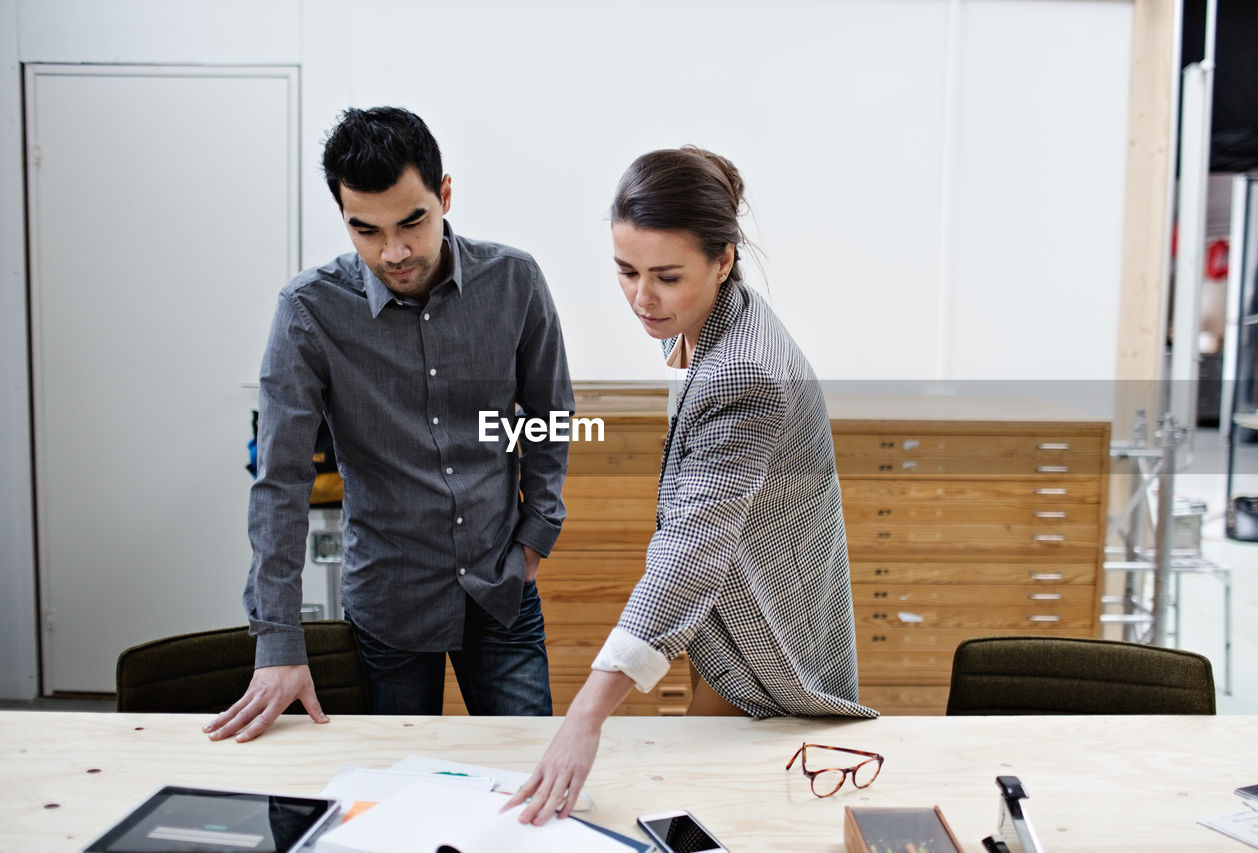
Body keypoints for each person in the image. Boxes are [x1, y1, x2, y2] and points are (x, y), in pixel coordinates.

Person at [505, 146, 876, 824]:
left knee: (735, 815)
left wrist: (586, 714)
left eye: (666, 276)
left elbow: (691, 551)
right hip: (729, 609)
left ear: (724, 259)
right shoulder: (711, 317)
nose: (642, 298)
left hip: (766, 625)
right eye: (626, 271)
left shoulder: (746, 371)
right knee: (709, 797)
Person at [204, 106, 573, 742]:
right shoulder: (309, 311)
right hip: (389, 601)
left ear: (445, 194)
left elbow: (548, 415)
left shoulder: (515, 281)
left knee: (527, 774)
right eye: (366, 231)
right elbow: (280, 481)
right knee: (400, 788)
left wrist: (536, 532)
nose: (394, 252)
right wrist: (278, 643)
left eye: (412, 222)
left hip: (502, 588)